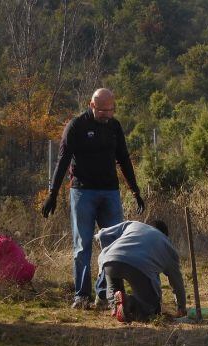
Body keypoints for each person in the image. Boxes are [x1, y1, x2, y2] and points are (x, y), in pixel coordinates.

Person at [41, 88, 145, 309]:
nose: (107, 114)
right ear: (92, 105)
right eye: (103, 110)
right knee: (83, 245)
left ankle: (106, 294)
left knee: (113, 245)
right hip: (82, 192)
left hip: (110, 192)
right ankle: (81, 295)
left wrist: (135, 191)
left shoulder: (114, 127)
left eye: (111, 110)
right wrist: (53, 194)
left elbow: (124, 160)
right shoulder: (76, 126)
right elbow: (62, 161)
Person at [96, 220, 185, 323]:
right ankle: (129, 302)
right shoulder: (167, 245)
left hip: (110, 259)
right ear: (165, 235)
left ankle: (116, 307)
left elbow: (102, 234)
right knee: (150, 310)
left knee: (115, 290)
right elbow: (177, 282)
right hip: (138, 266)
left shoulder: (134, 224)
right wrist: (181, 307)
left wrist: (108, 251)